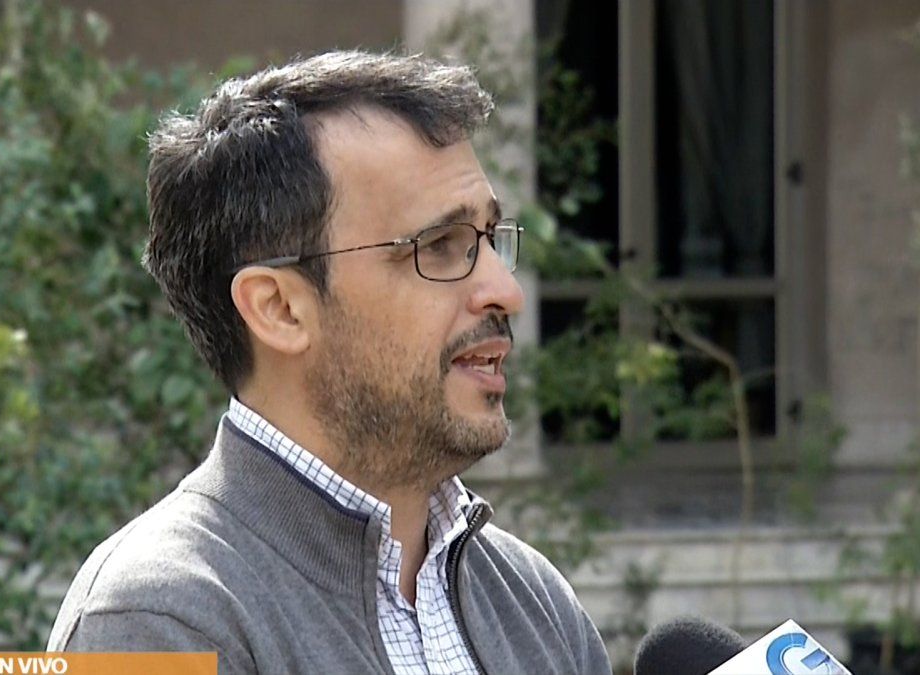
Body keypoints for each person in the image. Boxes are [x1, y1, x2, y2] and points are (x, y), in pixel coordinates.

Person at [47, 50, 612, 674]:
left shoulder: (533, 602)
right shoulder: (156, 622)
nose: (505, 291)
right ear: (280, 309)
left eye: (489, 239)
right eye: (439, 246)